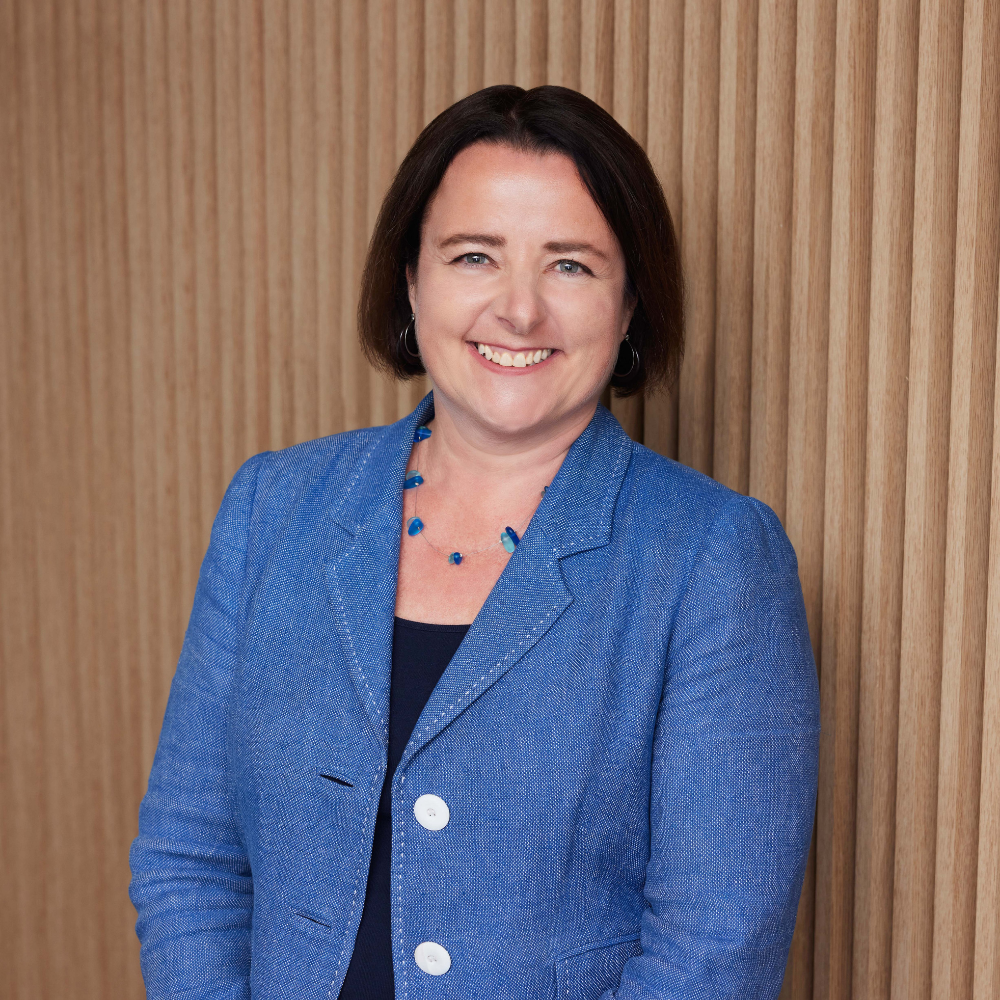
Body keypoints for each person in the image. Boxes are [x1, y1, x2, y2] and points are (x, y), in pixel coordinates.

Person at [130, 85, 819, 1000]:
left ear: (629, 304)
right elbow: (189, 861)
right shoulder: (274, 509)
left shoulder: (712, 558)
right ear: (412, 282)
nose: (519, 311)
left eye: (570, 265)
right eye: (474, 256)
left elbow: (715, 953)